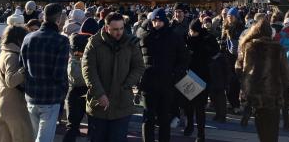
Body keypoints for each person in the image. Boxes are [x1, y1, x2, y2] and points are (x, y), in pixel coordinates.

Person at [82, 12, 145, 142]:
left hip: (122, 103)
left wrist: (127, 84)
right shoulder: (94, 44)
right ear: (106, 28)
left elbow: (139, 67)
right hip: (98, 106)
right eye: (115, 29)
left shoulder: (130, 43)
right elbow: (88, 71)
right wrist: (99, 94)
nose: (119, 32)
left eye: (121, 28)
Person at [138, 8, 189, 142]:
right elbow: (135, 58)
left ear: (165, 21)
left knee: (164, 119)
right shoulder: (144, 36)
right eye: (155, 20)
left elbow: (183, 58)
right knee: (148, 118)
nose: (157, 23)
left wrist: (175, 74)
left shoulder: (173, 37)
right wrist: (139, 77)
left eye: (160, 21)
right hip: (148, 83)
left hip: (167, 83)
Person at [21, 3, 70, 142]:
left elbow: (22, 66)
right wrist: (62, 93)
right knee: (44, 139)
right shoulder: (61, 41)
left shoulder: (28, 38)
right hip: (50, 97)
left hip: (31, 94)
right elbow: (59, 74)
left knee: (33, 136)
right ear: (59, 18)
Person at [236, 19, 289, 142]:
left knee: (262, 132)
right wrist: (280, 87)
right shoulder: (278, 48)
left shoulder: (248, 47)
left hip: (256, 98)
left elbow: (238, 69)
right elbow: (287, 74)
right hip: (274, 97)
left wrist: (247, 85)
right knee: (272, 133)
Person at [0, 25, 33, 142]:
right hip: (13, 105)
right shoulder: (12, 55)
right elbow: (11, 81)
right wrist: (25, 68)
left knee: (4, 137)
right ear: (19, 39)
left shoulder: (4, 53)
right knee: (21, 136)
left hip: (3, 100)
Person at [63, 18, 99, 142]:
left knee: (72, 126)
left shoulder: (71, 41)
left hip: (74, 87)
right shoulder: (96, 43)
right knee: (94, 127)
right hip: (92, 88)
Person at [183, 19, 218, 141]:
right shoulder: (186, 38)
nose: (191, 33)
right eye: (190, 30)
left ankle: (200, 134)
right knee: (188, 105)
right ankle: (189, 125)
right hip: (189, 75)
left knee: (199, 108)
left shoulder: (207, 39)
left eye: (193, 31)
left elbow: (215, 53)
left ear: (198, 31)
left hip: (203, 76)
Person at [222, 7, 244, 114]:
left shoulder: (240, 28)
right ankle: (233, 103)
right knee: (229, 83)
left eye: (231, 16)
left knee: (234, 83)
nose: (229, 18)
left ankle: (236, 104)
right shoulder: (226, 26)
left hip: (236, 59)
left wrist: (230, 39)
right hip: (226, 59)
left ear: (236, 17)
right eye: (228, 16)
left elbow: (235, 49)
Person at [209, 40, 230, 123]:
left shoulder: (222, 58)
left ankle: (222, 116)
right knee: (214, 98)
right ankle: (218, 114)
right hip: (212, 81)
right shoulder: (210, 57)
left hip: (220, 82)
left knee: (221, 99)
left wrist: (227, 83)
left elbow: (227, 72)